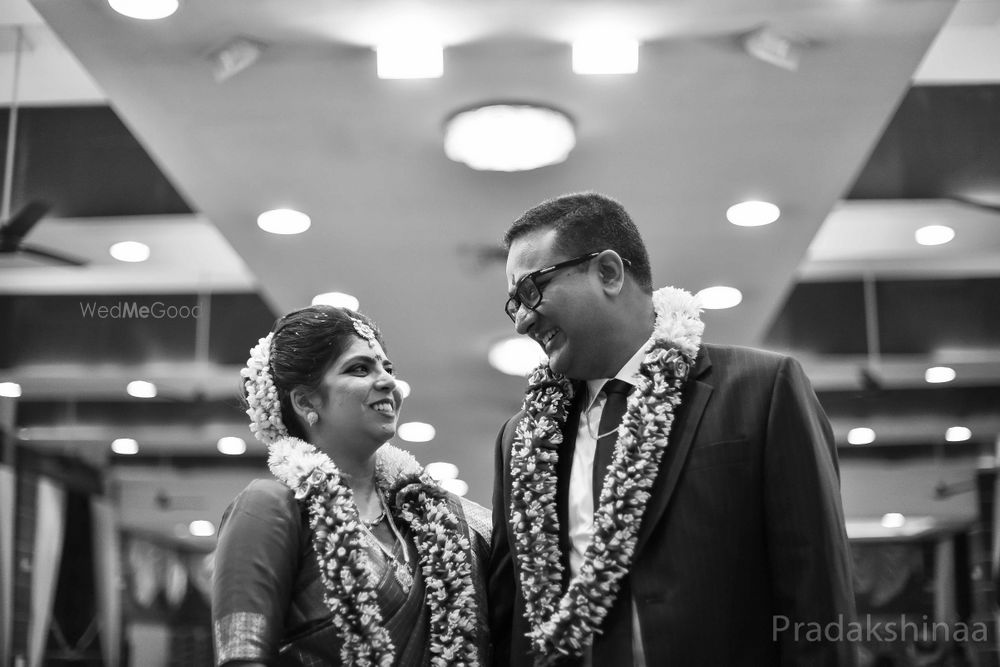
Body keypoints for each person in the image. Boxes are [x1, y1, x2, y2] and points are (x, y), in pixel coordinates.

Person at [488, 192, 856, 666]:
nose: (521, 320)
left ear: (608, 272)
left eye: (532, 291)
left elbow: (817, 594)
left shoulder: (761, 391)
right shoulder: (521, 439)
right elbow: (507, 618)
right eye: (513, 302)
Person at [212, 305, 491, 666]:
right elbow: (241, 659)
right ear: (305, 401)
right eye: (360, 368)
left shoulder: (435, 515)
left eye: (387, 368)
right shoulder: (269, 508)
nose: (389, 381)